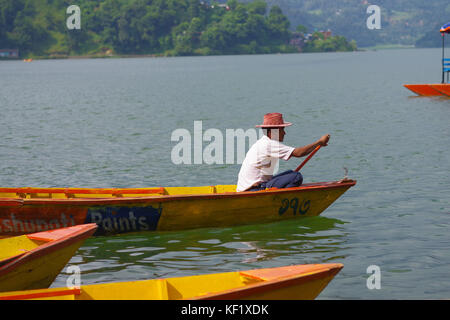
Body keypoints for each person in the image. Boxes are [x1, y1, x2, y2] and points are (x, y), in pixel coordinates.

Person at [236, 113, 330, 192]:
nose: (284, 133)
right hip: (253, 189)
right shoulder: (269, 144)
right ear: (273, 131)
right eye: (282, 130)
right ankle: (280, 200)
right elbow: (298, 153)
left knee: (290, 173)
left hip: (251, 186)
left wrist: (319, 144)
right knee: (296, 177)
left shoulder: (262, 142)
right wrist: (319, 142)